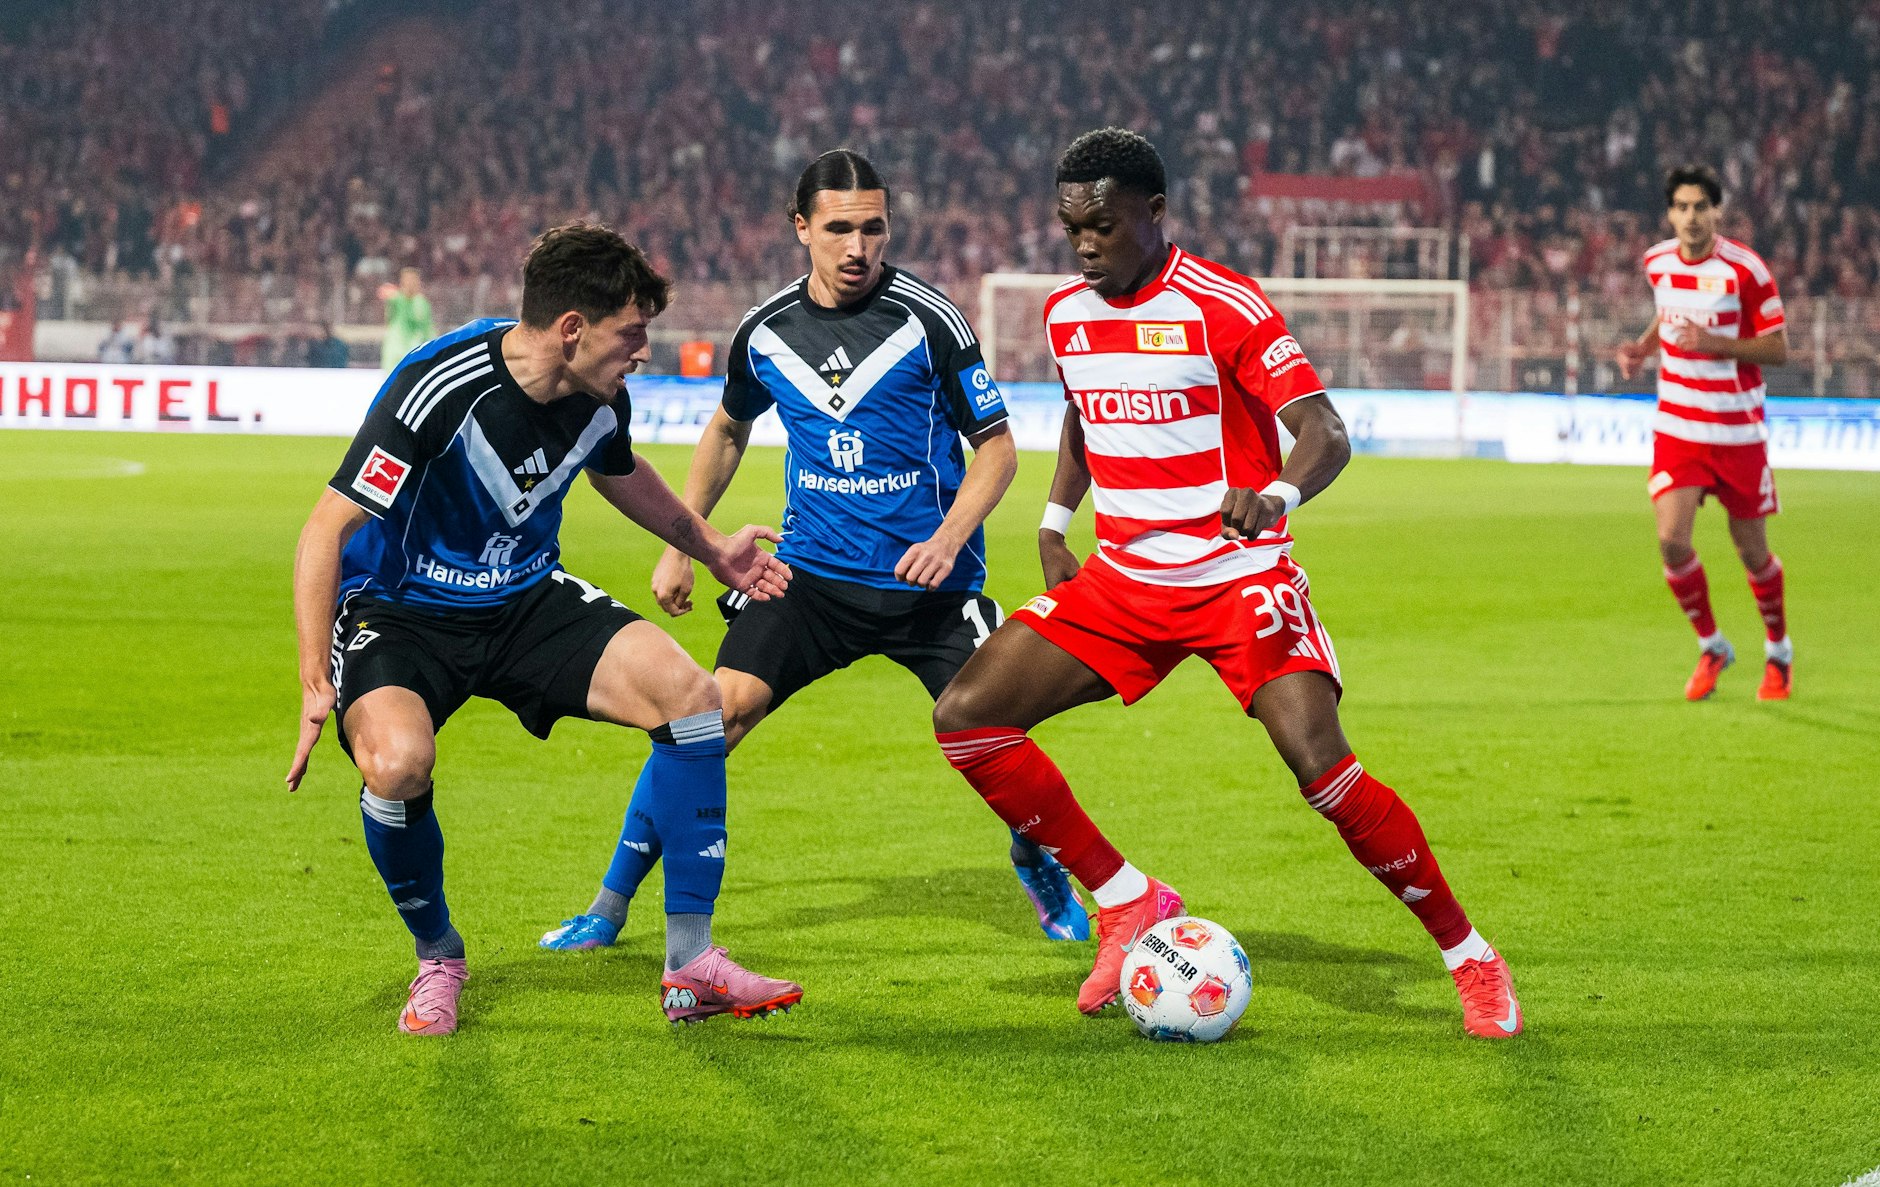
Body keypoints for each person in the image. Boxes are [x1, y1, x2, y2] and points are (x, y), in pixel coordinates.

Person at [930, 128, 1522, 1038]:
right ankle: (1128, 900)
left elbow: (1326, 432)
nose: (1085, 243)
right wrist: (1054, 521)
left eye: (1104, 225)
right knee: (967, 717)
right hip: (1124, 580)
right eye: (1070, 227)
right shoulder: (1064, 312)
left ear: (1154, 213)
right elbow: (1085, 415)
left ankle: (1470, 956)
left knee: (1323, 769)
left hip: (1236, 573)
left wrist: (1278, 492)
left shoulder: (1225, 304)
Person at [539, 150, 1090, 952]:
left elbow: (997, 450)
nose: (857, 246)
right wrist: (683, 540)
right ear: (802, 228)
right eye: (838, 228)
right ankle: (609, 905)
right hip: (810, 580)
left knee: (996, 735)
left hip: (928, 588)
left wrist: (946, 538)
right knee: (702, 722)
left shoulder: (931, 322)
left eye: (873, 227)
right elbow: (728, 427)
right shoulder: (764, 332)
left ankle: (1036, 856)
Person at [288, 222, 803, 1034]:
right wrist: (319, 680)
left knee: (693, 697)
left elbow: (619, 470)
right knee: (396, 766)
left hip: (526, 600)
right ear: (572, 329)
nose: (642, 353)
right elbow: (326, 530)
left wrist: (709, 549)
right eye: (631, 335)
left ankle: (692, 964)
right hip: (404, 610)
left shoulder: (600, 398)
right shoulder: (438, 387)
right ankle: (439, 956)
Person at [1616, 164, 1792, 701]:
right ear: (1670, 214)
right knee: (1671, 541)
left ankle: (1778, 652)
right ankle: (1713, 645)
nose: (1691, 217)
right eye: (1682, 207)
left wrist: (1713, 342)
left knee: (1753, 553)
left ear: (1718, 211)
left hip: (1737, 432)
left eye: (1701, 207)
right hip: (1679, 427)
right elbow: (1666, 314)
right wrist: (1644, 347)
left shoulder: (1747, 271)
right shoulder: (1657, 261)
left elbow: (1778, 349)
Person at [380, 266, 435, 371]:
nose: (410, 284)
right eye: (407, 280)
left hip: (413, 350)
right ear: (402, 282)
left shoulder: (421, 302)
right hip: (394, 351)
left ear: (418, 283)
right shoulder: (396, 299)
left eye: (413, 280)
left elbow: (427, 328)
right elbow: (384, 294)